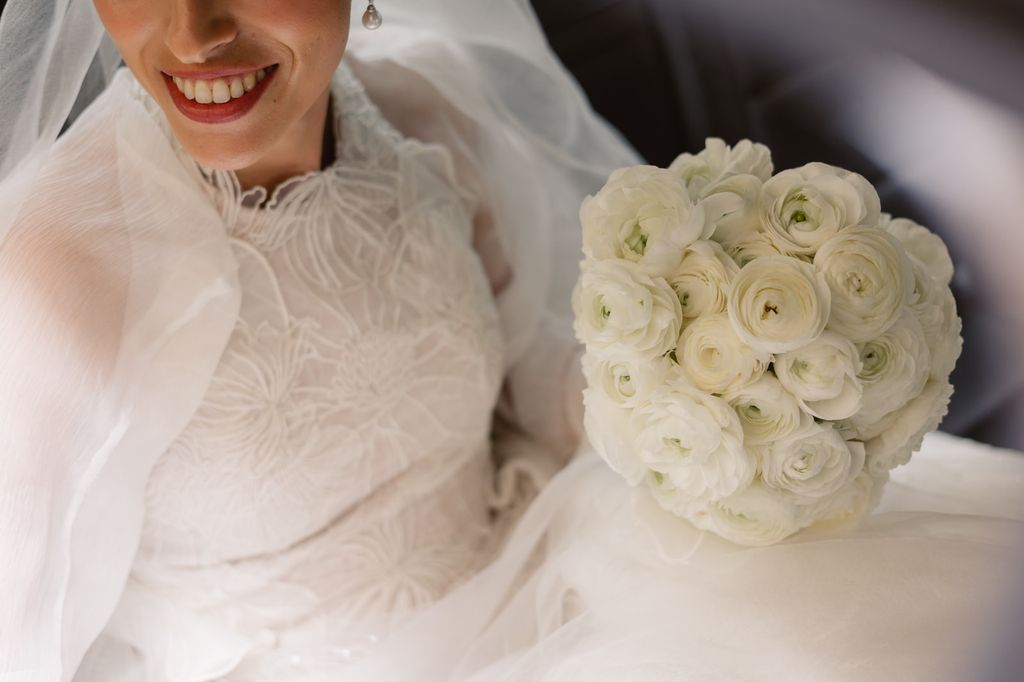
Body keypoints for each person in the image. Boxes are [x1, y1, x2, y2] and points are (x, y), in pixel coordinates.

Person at [0, 2, 1021, 681]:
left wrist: (714, 390)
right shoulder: (62, 276)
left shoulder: (423, 112)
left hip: (551, 581)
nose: (194, 31)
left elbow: (553, 395)